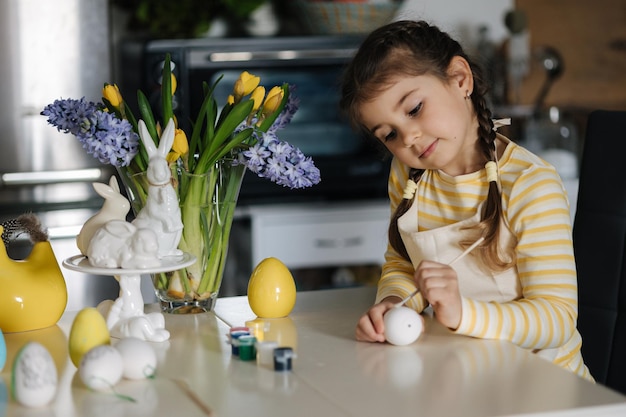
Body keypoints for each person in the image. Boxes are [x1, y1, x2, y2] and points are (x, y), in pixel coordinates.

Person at [339, 20, 592, 381]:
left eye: (413, 109)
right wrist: (393, 304)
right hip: (465, 377)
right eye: (390, 133)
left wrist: (462, 313)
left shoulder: (530, 185)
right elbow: (402, 263)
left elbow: (557, 319)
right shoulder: (408, 175)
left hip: (544, 387)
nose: (408, 137)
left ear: (460, 79)